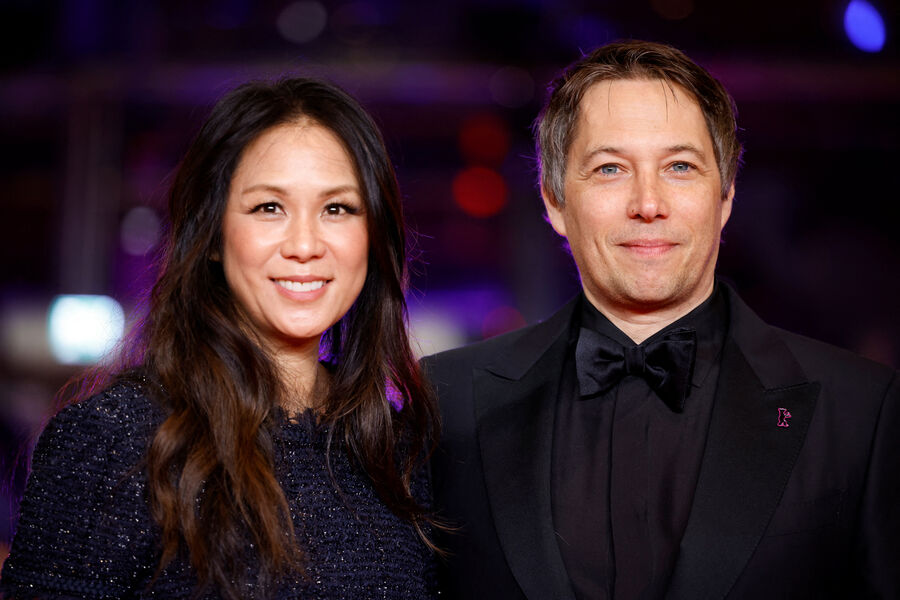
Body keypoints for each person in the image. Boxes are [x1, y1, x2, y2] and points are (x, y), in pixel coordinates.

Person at [423, 40, 899, 599]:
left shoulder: (862, 409)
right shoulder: (443, 402)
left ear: (725, 196)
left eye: (679, 167)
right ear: (554, 201)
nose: (648, 204)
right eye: (610, 168)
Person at [0, 77, 440, 599]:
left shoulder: (399, 452)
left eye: (337, 208)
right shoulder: (115, 439)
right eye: (268, 207)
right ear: (212, 236)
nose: (305, 244)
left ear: (373, 237)